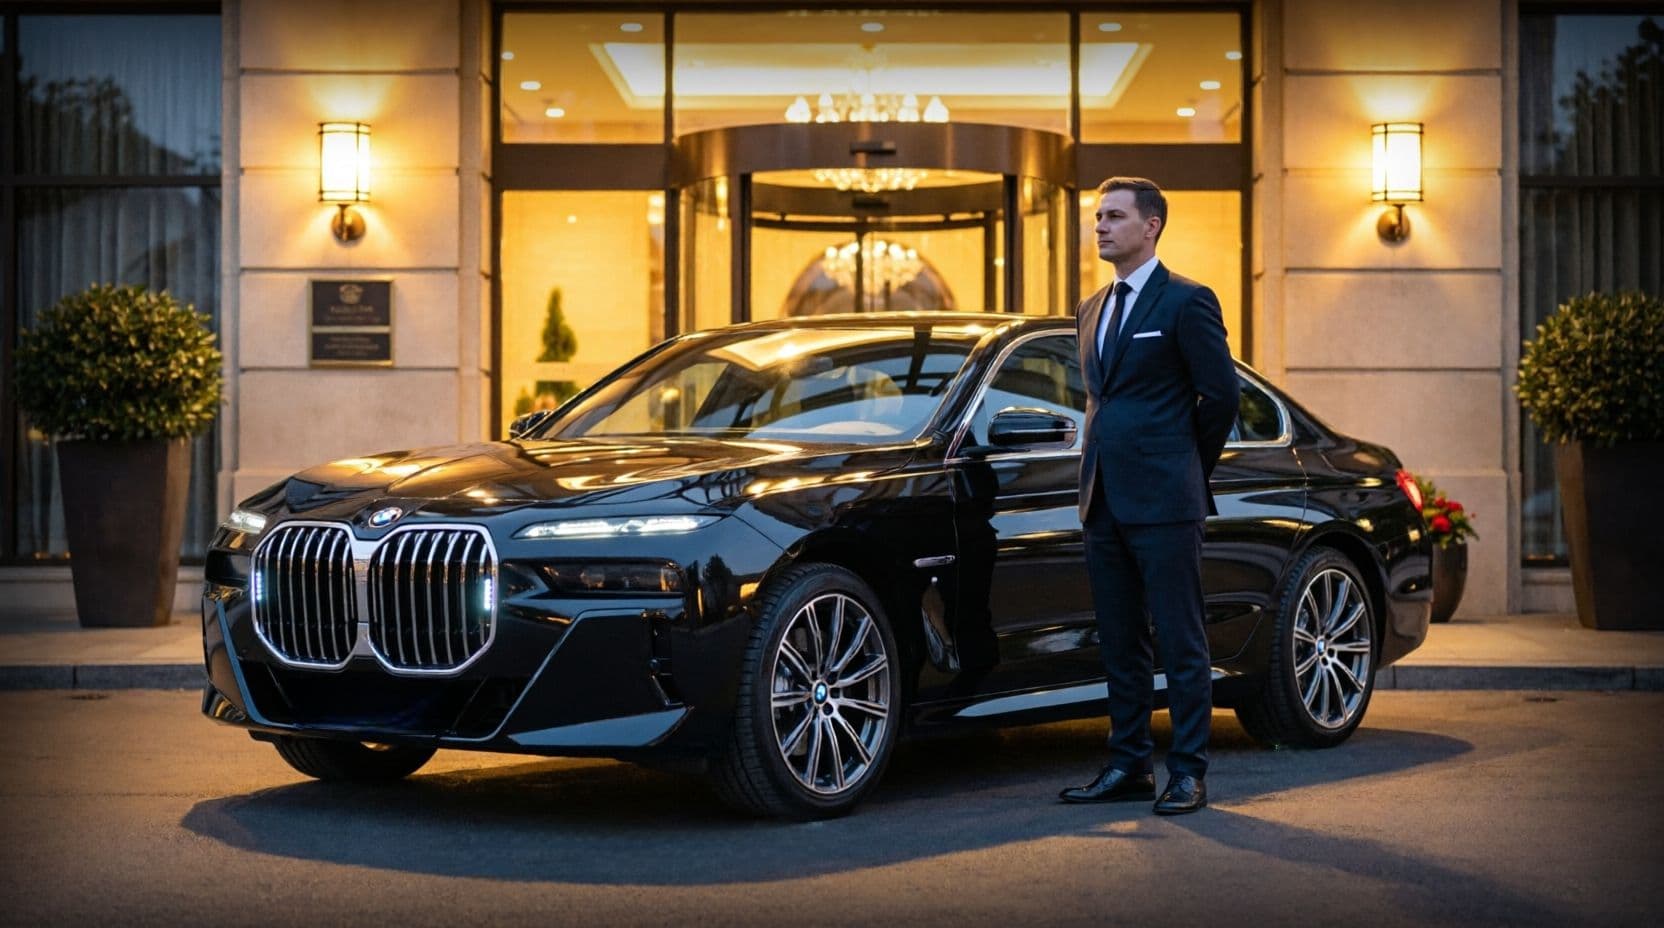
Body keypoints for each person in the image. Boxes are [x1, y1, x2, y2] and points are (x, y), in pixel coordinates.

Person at [1058, 177, 1238, 815]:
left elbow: (1222, 398)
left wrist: (1186, 466)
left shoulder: (1187, 301)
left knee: (1182, 640)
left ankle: (1188, 772)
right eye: (1097, 216)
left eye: (1114, 216)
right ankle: (1128, 763)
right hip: (1102, 499)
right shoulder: (1090, 308)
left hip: (1166, 500)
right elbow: (1100, 401)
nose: (1101, 226)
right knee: (1120, 639)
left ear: (1151, 225)